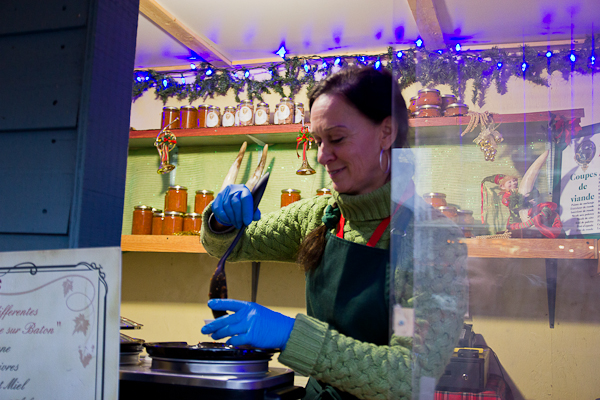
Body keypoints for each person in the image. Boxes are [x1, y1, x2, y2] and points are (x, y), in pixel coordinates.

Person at [201, 67, 468, 399]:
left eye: (337, 138)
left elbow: (407, 377)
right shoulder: (318, 216)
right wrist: (222, 220)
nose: (322, 156)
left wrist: (292, 336)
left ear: (386, 132)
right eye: (318, 141)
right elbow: (229, 245)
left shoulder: (433, 240)